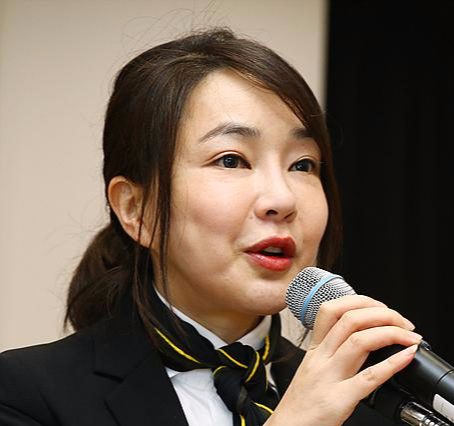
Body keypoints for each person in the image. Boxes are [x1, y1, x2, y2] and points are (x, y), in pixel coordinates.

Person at [0, 28, 421, 426]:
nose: (282, 200)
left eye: (303, 165)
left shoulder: (369, 404)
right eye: (231, 160)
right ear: (136, 209)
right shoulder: (25, 395)